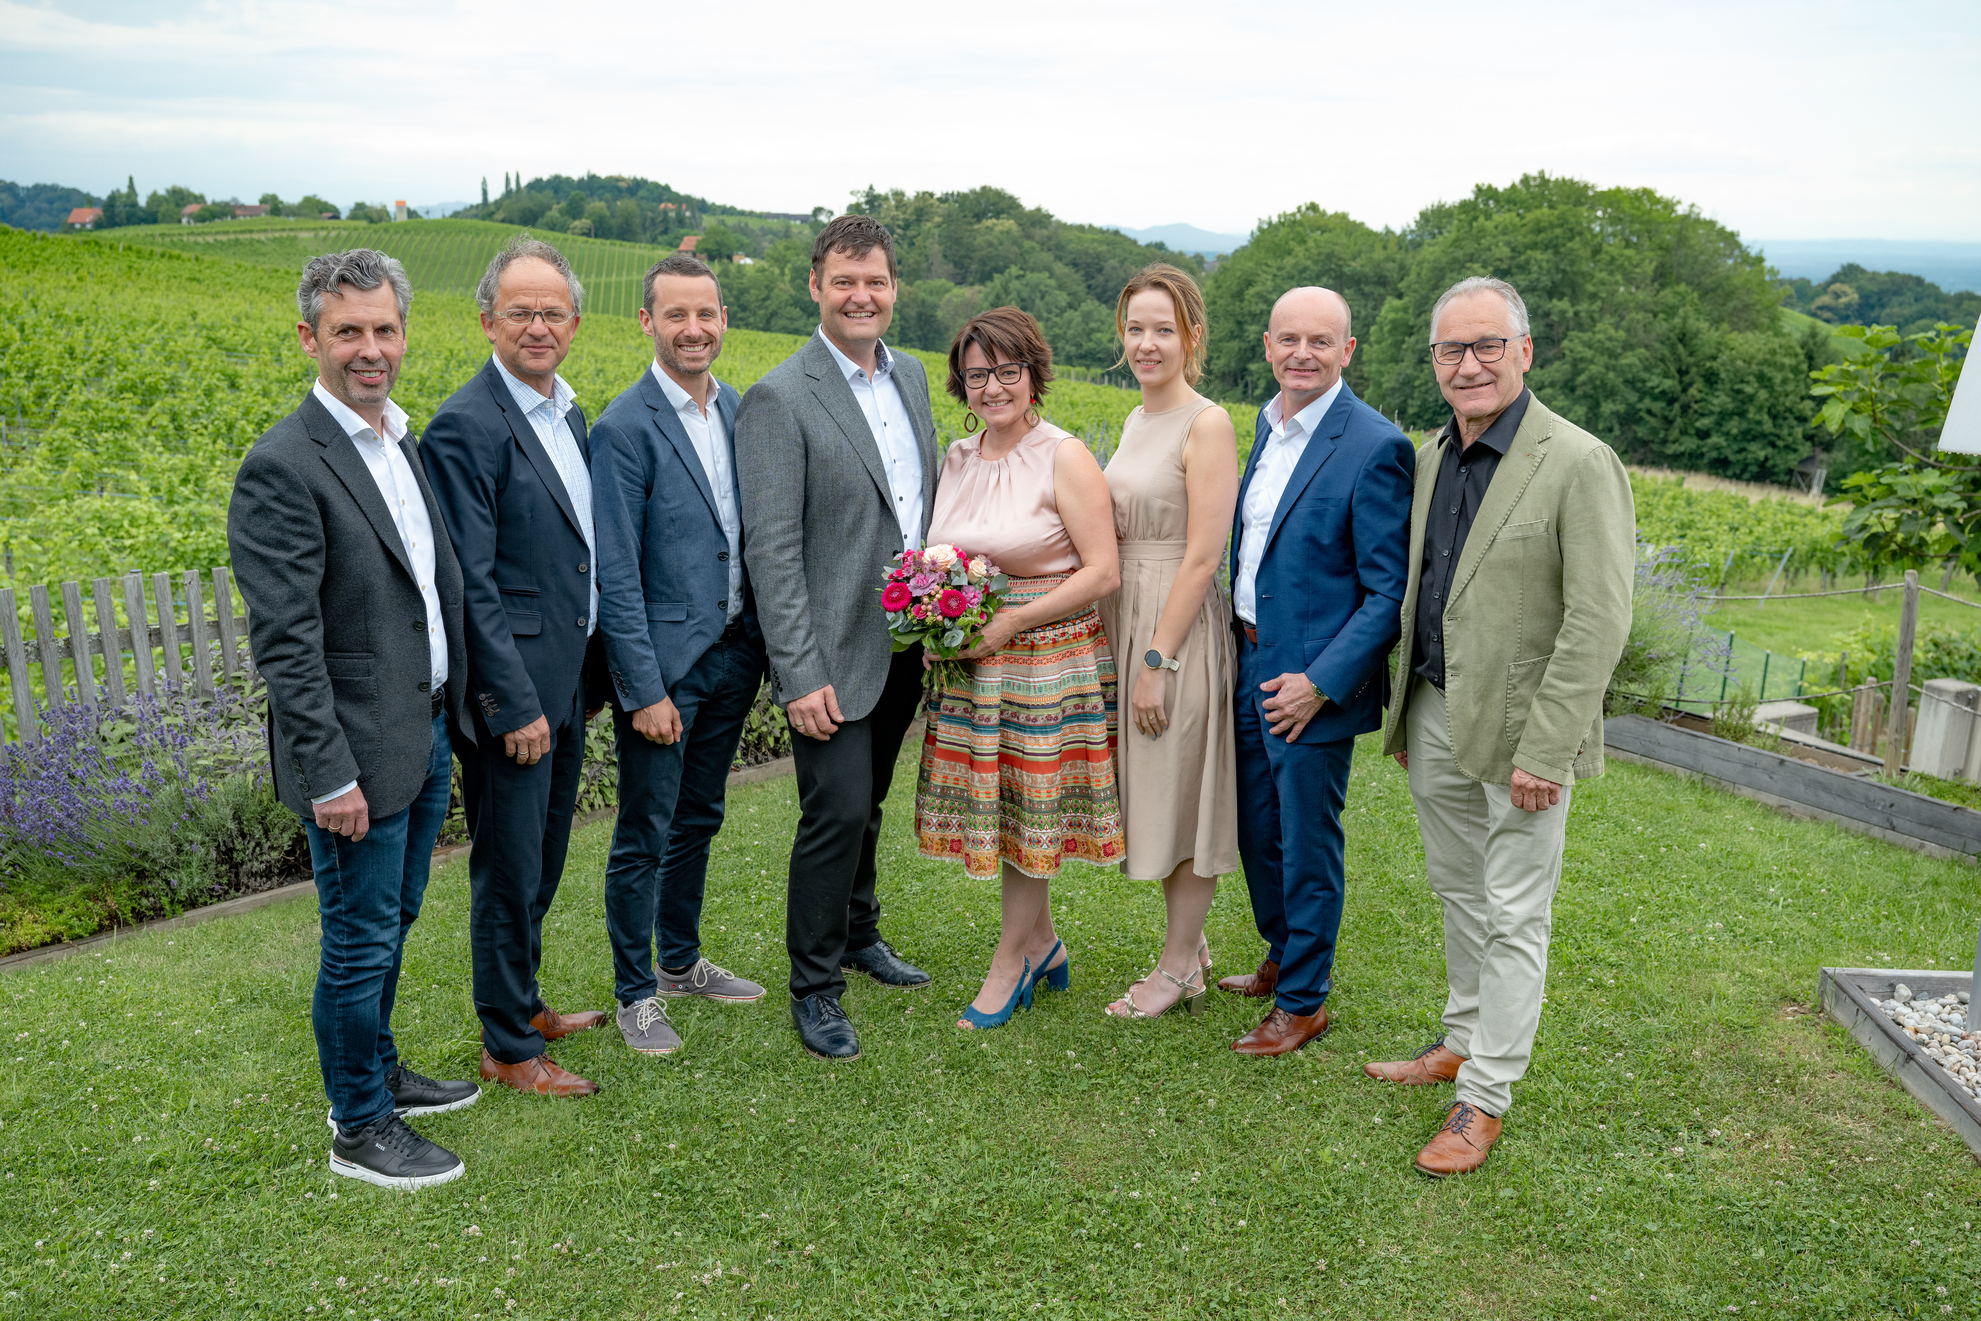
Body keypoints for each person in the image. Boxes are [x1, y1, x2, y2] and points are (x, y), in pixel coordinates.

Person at [1373, 275, 1633, 1176]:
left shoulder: (1577, 461)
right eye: (1451, 348)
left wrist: (1547, 748)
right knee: (1458, 890)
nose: (1469, 363)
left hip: (1526, 733)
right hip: (1434, 711)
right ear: (1433, 360)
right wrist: (1409, 713)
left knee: (1516, 912)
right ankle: (1460, 1038)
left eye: (1487, 344)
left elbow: (1598, 619)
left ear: (1523, 350)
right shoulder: (1431, 456)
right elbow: (1428, 592)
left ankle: (1483, 1097)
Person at [228, 249, 476, 1189]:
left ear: (403, 334)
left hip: (423, 731)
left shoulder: (398, 440)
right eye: (348, 331)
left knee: (393, 918)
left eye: (384, 329)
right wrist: (329, 773)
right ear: (310, 338)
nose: (370, 348)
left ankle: (379, 1069)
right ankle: (359, 1123)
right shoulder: (284, 464)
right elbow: (287, 644)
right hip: (353, 755)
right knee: (358, 937)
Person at [734, 215, 940, 1062]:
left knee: (871, 799)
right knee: (837, 810)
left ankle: (859, 931)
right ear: (816, 286)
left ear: (894, 289)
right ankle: (814, 985)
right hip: (826, 654)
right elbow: (771, 549)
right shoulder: (780, 396)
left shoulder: (912, 376)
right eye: (845, 281)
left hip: (904, 644)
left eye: (875, 281)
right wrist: (798, 672)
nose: (862, 296)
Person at [420, 236, 608, 1098]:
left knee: (545, 855)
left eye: (553, 312)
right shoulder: (465, 425)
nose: (538, 326)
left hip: (566, 682)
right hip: (517, 695)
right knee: (507, 868)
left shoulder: (567, 413)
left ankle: (524, 1003)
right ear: (487, 320)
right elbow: (469, 582)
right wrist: (509, 701)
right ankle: (505, 1044)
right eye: (521, 311)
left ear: (574, 323)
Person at [914, 307, 1123, 1029]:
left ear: (1034, 375)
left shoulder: (1064, 455)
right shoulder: (957, 456)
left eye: (1007, 371)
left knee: (1030, 809)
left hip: (1045, 657)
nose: (993, 387)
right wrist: (937, 620)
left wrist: (1010, 620)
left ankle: (1011, 963)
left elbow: (1102, 571)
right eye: (977, 375)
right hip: (976, 664)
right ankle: (1043, 942)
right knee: (1005, 806)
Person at [1225, 287, 1414, 1057]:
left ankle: (1303, 1002)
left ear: (1347, 350)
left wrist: (1321, 683)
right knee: (1256, 826)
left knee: (1306, 840)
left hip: (1307, 682)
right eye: (1288, 339)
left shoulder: (1374, 445)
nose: (1301, 353)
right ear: (1268, 344)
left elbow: (1387, 591)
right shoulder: (1265, 426)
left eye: (1319, 341)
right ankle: (1280, 953)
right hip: (1247, 655)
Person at [592, 254, 769, 1058]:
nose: (693, 329)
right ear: (647, 322)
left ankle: (680, 961)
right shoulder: (624, 428)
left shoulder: (738, 408)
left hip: (733, 655)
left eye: (705, 314)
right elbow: (616, 571)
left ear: (722, 319)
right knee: (645, 829)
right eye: (675, 315)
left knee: (699, 816)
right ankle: (635, 993)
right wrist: (642, 688)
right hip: (665, 670)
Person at [1095, 264, 1240, 1020]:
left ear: (1192, 336)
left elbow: (1203, 555)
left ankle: (1178, 967)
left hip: (1173, 628)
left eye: (1163, 329)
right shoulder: (1134, 418)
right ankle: (1192, 941)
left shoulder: (1205, 424)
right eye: (1135, 328)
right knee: (1152, 788)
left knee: (1181, 792)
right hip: (1128, 614)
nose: (1146, 343)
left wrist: (1157, 658)